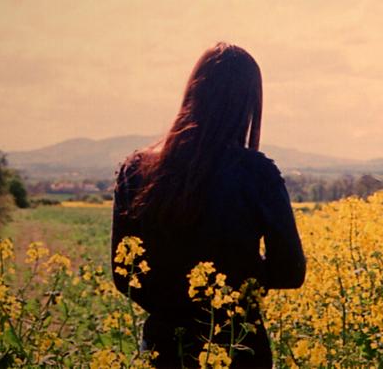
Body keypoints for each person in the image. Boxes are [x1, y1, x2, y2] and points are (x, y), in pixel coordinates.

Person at [112, 42, 306, 368]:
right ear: (248, 104)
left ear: (192, 93)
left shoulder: (137, 169)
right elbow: (290, 271)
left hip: (165, 346)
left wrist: (175, 307)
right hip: (238, 345)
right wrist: (234, 282)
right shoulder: (256, 173)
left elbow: (125, 275)